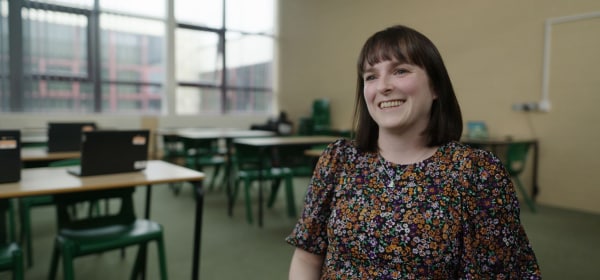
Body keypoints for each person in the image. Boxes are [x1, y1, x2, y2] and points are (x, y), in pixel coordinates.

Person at [285, 25, 541, 279]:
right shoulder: (338, 160)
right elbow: (307, 258)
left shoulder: (475, 172)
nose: (383, 86)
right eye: (371, 76)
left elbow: (504, 272)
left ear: (436, 87)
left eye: (400, 71)